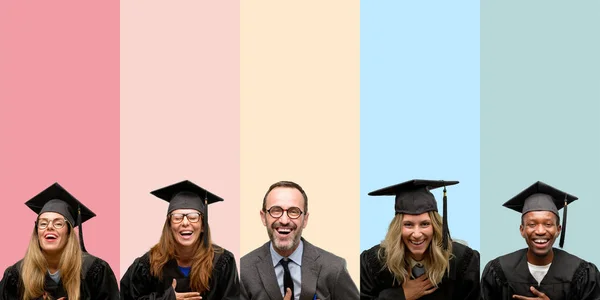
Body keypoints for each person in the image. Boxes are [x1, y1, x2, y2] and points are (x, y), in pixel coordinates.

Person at [360, 179, 480, 300]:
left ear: (436, 226)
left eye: (424, 224)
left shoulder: (462, 260)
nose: (417, 234)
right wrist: (400, 295)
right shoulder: (375, 262)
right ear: (397, 228)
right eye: (408, 224)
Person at [120, 180, 239, 300]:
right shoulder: (149, 264)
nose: (185, 223)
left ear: (203, 225)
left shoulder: (222, 262)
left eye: (193, 217)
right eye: (177, 217)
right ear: (169, 225)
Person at [240, 180, 359, 300]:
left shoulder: (334, 268)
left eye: (293, 212)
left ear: (305, 219)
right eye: (276, 210)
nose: (284, 220)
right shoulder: (243, 270)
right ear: (263, 217)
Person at [481, 181, 600, 300]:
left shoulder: (582, 273)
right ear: (522, 230)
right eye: (532, 224)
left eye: (548, 224)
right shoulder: (499, 271)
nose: (540, 231)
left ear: (558, 230)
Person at [0, 182, 119, 300]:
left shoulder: (94, 271)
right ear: (37, 232)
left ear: (68, 233)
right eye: (43, 223)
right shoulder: (17, 274)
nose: (49, 227)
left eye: (58, 223)